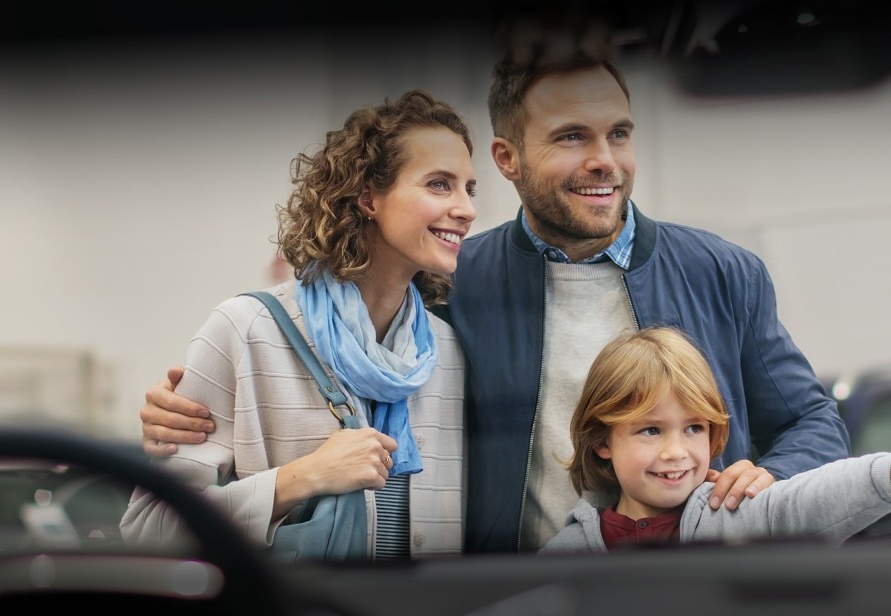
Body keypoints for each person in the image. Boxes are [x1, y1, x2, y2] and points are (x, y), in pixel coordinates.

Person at [135, 47, 851, 553]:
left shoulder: (725, 271)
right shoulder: (452, 279)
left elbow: (814, 420)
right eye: (573, 137)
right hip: (511, 592)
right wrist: (188, 402)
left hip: (692, 585)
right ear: (508, 158)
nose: (605, 160)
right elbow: (337, 327)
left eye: (619, 134)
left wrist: (774, 475)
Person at [119, 89, 476, 561]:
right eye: (438, 184)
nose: (467, 209)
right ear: (368, 197)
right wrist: (303, 477)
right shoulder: (245, 330)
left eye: (470, 188)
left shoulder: (448, 350)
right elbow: (150, 529)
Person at [542, 326, 891, 553]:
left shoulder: (739, 513)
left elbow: (811, 497)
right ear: (602, 440)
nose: (676, 452)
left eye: (694, 428)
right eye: (651, 430)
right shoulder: (568, 551)